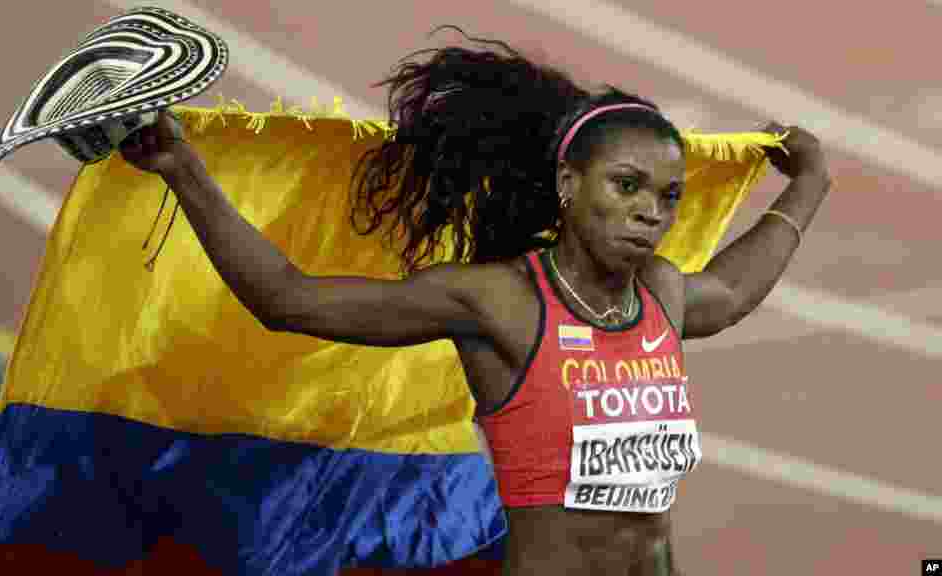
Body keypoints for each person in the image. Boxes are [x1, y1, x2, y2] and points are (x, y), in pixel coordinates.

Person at [118, 32, 830, 576]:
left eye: (668, 196)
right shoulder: (499, 300)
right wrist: (184, 172)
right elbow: (288, 300)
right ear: (568, 184)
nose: (652, 212)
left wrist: (811, 183)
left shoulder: (660, 293)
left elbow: (733, 291)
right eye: (627, 186)